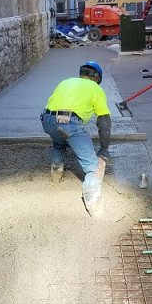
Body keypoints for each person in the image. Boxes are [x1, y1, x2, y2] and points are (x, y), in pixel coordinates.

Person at [41, 62, 111, 216]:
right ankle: (94, 206)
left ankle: (56, 176)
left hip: (47, 120)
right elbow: (104, 122)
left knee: (59, 143)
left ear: (82, 74)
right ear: (97, 79)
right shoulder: (96, 89)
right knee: (94, 166)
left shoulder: (66, 82)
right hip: (68, 123)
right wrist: (104, 148)